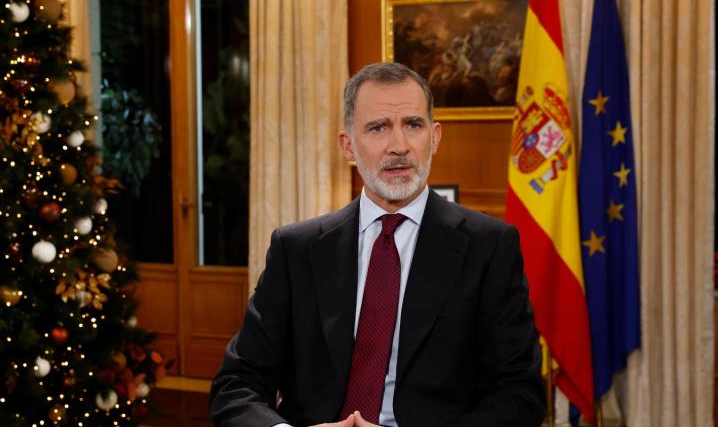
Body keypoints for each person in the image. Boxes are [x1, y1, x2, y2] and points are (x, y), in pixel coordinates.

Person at [209, 62, 545, 427]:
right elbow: (236, 384)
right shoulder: (297, 249)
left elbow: (519, 395)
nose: (398, 146)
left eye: (413, 125)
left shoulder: (489, 247)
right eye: (378, 127)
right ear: (348, 145)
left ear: (434, 137)